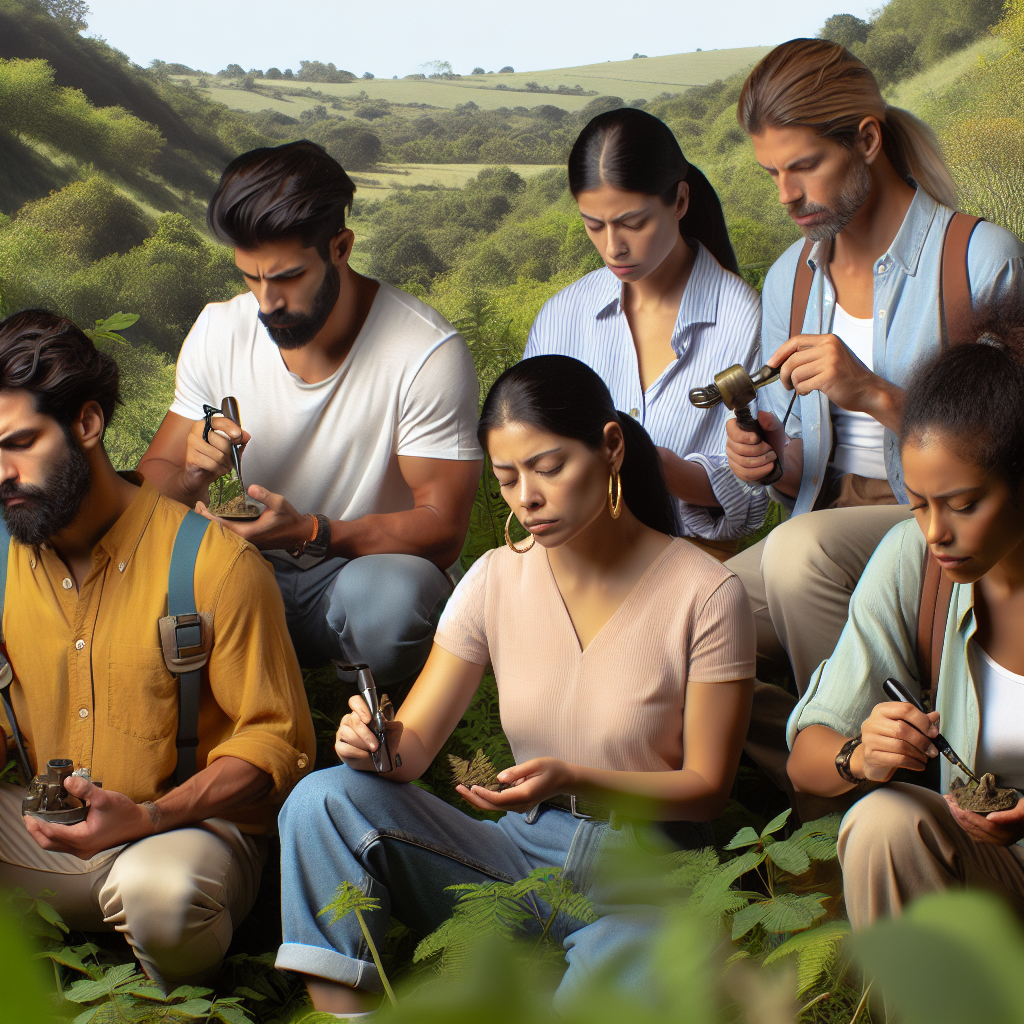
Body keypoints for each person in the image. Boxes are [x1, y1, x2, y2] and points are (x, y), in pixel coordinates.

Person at [275, 355, 755, 1015]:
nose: (527, 497)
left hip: (649, 881)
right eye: (507, 479)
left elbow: (706, 790)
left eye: (549, 468)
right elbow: (410, 749)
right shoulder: (497, 577)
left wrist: (573, 778)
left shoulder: (706, 593)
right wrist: (371, 742)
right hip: (517, 854)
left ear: (610, 446)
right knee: (324, 800)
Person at [720, 39, 1024, 794]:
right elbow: (808, 464)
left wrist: (876, 393)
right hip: (820, 508)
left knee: (800, 555)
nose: (787, 195)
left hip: (927, 515)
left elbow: (1013, 445)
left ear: (866, 138)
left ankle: (879, 808)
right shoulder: (792, 273)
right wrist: (764, 456)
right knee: (688, 618)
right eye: (772, 174)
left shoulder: (979, 257)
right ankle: (829, 771)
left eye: (804, 167)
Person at [0, 310, 316, 986]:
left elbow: (277, 743)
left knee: (162, 900)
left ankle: (168, 990)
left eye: (19, 442)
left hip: (180, 835)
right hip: (38, 833)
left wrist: (148, 815)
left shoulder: (214, 565)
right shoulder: (1, 562)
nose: (2, 473)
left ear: (86, 424)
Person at [138, 141, 483, 694]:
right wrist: (190, 475)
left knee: (397, 601)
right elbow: (151, 479)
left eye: (287, 277)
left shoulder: (425, 351)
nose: (266, 302)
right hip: (242, 571)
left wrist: (310, 533)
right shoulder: (218, 330)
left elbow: (443, 531)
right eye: (250, 277)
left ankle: (366, 715)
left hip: (357, 577)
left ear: (341, 246)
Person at [785, 298, 1024, 927]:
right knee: (884, 823)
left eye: (964, 504)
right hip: (990, 884)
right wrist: (860, 755)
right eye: (918, 504)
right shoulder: (915, 565)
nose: (936, 532)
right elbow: (807, 757)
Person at [525, 108, 765, 559]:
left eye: (633, 223)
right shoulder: (563, 315)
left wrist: (655, 467)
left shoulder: (744, 319)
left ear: (679, 201)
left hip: (688, 563)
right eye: (594, 225)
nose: (613, 246)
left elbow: (754, 494)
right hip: (570, 553)